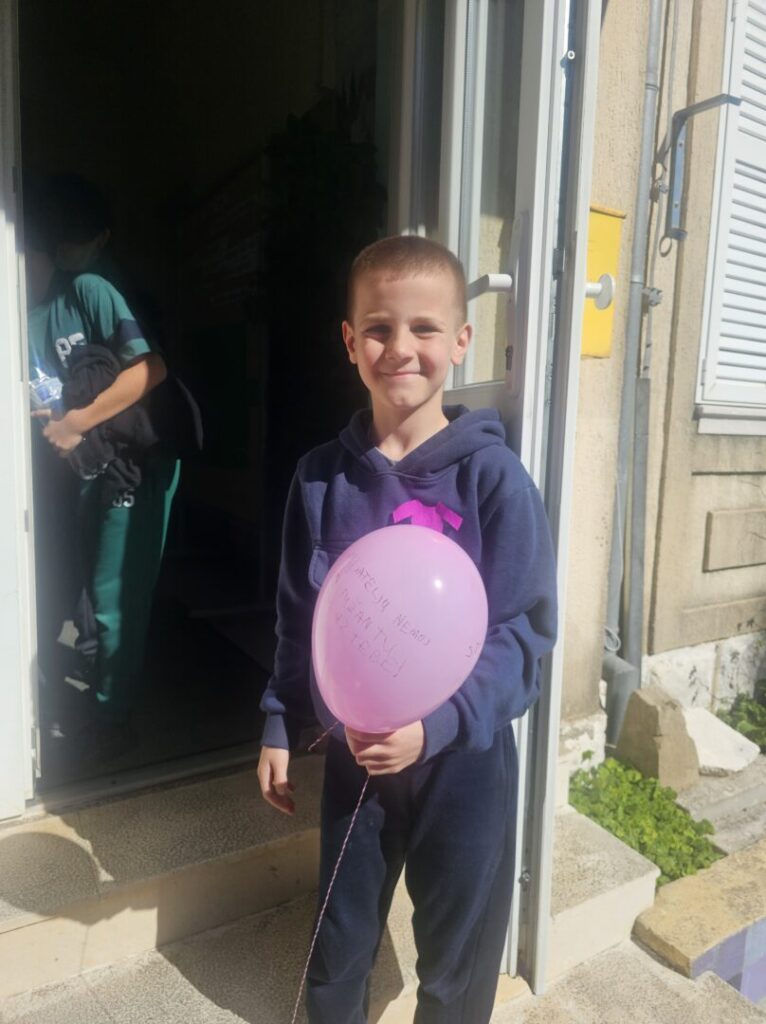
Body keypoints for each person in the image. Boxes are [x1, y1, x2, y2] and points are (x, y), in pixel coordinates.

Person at [257, 235, 558, 1024]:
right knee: (338, 948)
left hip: (466, 763)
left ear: (461, 340)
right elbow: (299, 613)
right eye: (379, 328)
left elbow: (525, 635)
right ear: (349, 340)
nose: (401, 347)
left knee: (458, 964)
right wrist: (282, 720)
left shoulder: (495, 479)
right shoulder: (320, 478)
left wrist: (437, 728)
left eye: (425, 328)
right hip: (357, 756)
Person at [25, 184, 180, 756]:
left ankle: (112, 723)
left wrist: (77, 421)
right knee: (94, 591)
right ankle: (103, 697)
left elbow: (151, 369)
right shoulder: (24, 317)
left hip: (133, 462)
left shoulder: (89, 289)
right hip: (84, 468)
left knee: (116, 597)